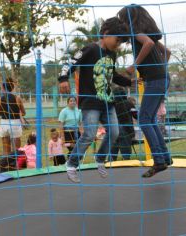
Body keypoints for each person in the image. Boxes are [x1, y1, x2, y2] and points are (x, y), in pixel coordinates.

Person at [58, 17, 134, 183]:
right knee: (89, 134)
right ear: (106, 34)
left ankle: (100, 158)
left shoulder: (112, 54)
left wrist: (130, 82)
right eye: (117, 40)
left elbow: (113, 75)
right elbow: (71, 62)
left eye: (121, 42)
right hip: (91, 101)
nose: (118, 44)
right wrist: (63, 78)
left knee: (114, 132)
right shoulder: (90, 49)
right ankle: (71, 163)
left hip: (107, 101)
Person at [118, 5, 172, 178]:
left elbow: (147, 44)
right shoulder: (150, 35)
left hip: (156, 79)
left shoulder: (136, 32)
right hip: (161, 78)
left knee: (143, 119)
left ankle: (159, 160)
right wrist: (159, 68)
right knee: (149, 118)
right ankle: (165, 157)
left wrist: (135, 65)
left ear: (128, 19)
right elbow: (167, 52)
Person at [0, 77, 26, 155]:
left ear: (3, 88)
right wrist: (16, 113)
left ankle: (7, 165)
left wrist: (4, 112)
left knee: (6, 150)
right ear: (12, 88)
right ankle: (16, 164)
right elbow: (24, 112)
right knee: (17, 150)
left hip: (4, 123)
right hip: (15, 123)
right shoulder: (17, 98)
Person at [110, 87, 137, 161]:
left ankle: (111, 161)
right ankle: (126, 162)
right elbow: (136, 116)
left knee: (112, 151)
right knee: (126, 152)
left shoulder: (111, 104)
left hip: (113, 129)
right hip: (126, 130)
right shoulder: (129, 103)